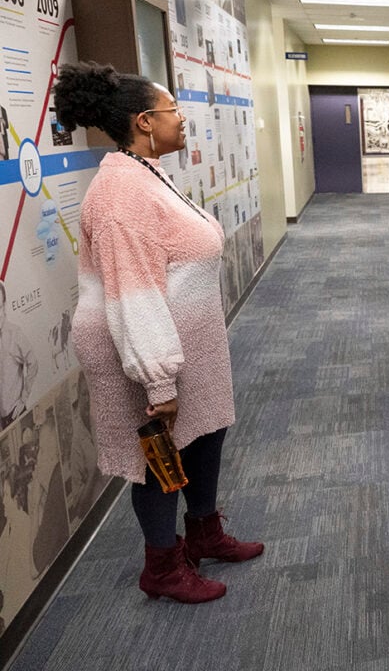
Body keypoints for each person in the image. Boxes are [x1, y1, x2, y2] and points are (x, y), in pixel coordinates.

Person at [53, 62, 262, 604]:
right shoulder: (120, 193)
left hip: (189, 345)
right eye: (173, 111)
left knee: (206, 432)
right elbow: (133, 294)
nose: (182, 121)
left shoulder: (141, 171)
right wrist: (159, 381)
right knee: (157, 457)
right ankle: (163, 567)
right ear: (145, 121)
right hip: (147, 352)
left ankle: (204, 535)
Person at [0, 282, 39, 431]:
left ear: (5, 306)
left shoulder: (15, 334)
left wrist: (23, 399)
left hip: (15, 414)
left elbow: (34, 363)